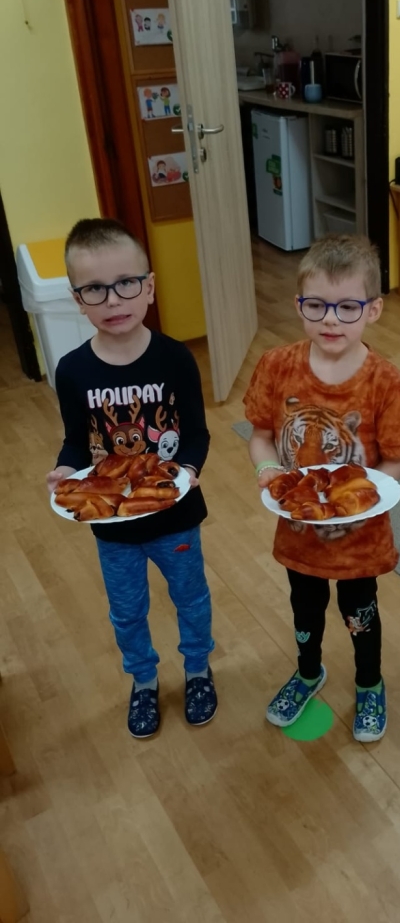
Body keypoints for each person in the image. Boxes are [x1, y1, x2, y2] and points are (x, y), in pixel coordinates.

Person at [243, 235, 400, 742]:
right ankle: (307, 673)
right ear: (299, 304)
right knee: (305, 608)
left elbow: (395, 461)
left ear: (373, 310)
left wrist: (356, 500)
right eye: (316, 305)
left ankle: (369, 683)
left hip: (359, 537)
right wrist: (267, 470)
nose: (331, 320)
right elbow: (261, 435)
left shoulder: (388, 382)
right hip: (298, 530)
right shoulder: (277, 365)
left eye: (347, 307)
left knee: (360, 612)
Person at [46, 219, 217, 739]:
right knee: (126, 611)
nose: (113, 299)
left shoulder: (176, 358)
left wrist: (187, 472)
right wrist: (65, 468)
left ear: (149, 286)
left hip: (176, 517)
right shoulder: (73, 370)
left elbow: (196, 434)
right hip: (113, 525)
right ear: (78, 300)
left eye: (126, 283)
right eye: (94, 289)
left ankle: (197, 670)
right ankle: (143, 680)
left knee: (191, 598)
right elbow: (77, 441)